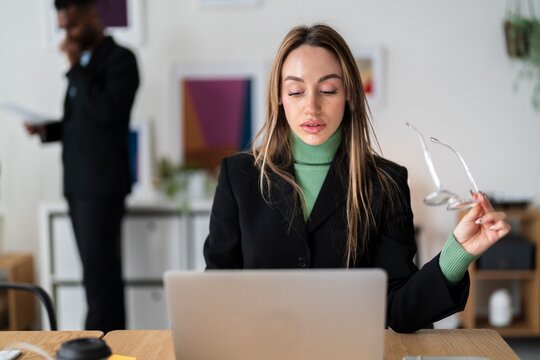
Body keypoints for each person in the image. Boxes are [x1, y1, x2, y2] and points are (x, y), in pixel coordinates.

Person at [203, 24, 510, 333]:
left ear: (348, 94)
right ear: (279, 97)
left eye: (328, 90)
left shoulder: (385, 182)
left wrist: (458, 253)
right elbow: (217, 294)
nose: (312, 106)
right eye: (296, 91)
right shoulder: (238, 176)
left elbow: (400, 310)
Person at [25, 0, 139, 332]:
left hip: (101, 186)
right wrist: (49, 129)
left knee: (101, 276)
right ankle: (104, 342)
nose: (67, 35)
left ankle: (100, 344)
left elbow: (107, 114)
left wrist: (76, 68)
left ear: (93, 15)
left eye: (72, 25)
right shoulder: (85, 65)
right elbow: (84, 122)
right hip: (78, 184)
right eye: (62, 28)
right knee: (94, 274)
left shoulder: (121, 60)